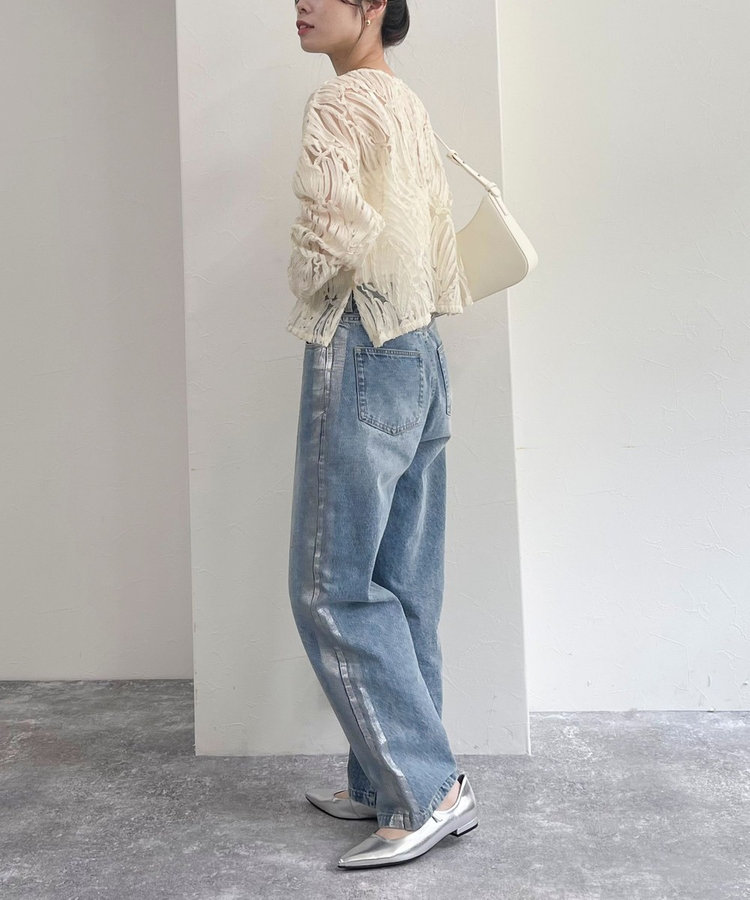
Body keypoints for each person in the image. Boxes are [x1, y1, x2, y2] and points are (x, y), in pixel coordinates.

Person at [287, 0, 479, 869]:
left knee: (330, 586)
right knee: (402, 585)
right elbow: (436, 236)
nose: (300, 4)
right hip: (420, 347)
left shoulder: (337, 101)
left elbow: (330, 233)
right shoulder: (405, 99)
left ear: (371, 6)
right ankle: (382, 779)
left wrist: (306, 277)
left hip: (363, 341)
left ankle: (427, 788)